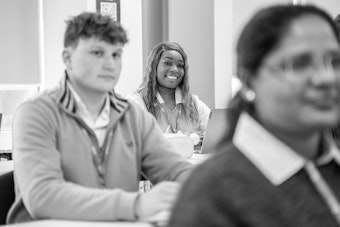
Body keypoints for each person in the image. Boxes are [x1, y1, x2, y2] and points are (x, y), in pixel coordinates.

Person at [6, 12, 193, 224]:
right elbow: (43, 196)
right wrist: (136, 205)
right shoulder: (36, 113)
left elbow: (178, 171)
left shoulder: (133, 116)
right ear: (67, 58)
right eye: (97, 53)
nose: (110, 64)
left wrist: (202, 188)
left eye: (116, 55)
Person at [168, 4, 340, 227]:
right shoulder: (215, 193)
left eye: (335, 62)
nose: (326, 78)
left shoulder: (328, 166)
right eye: (299, 64)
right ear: (249, 80)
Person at [127, 42, 210, 147]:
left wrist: (199, 138)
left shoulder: (193, 103)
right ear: (154, 66)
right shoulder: (136, 102)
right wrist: (186, 140)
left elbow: (215, 133)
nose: (175, 69)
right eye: (167, 63)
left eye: (180, 65)